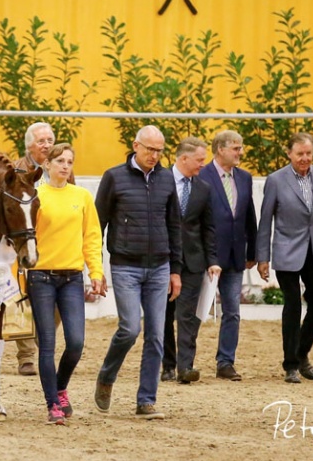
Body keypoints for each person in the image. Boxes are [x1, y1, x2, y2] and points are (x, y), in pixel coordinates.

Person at [93, 125, 182, 420]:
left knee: (157, 335)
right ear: (136, 146)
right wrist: (96, 267)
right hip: (125, 266)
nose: (155, 156)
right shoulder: (113, 177)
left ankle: (146, 399)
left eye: (159, 150)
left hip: (159, 267)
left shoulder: (167, 178)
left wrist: (175, 270)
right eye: (150, 149)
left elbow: (174, 227)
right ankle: (107, 376)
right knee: (130, 329)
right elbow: (98, 224)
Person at [27, 143, 106, 424]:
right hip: (41, 277)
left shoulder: (82, 197)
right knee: (47, 343)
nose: (65, 166)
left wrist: (96, 273)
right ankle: (53, 404)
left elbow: (92, 238)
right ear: (46, 164)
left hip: (73, 277)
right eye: (59, 160)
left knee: (76, 342)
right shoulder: (36, 195)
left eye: (69, 162)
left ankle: (60, 386)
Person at [256, 132, 313, 384]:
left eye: (308, 154)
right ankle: (291, 364)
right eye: (299, 154)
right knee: (292, 305)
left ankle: (301, 353)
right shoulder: (276, 180)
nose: (304, 158)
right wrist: (263, 257)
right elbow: (265, 221)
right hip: (287, 250)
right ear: (289, 154)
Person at [161, 137, 221, 384]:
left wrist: (212, 260)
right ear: (183, 158)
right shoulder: (160, 181)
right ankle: (168, 365)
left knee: (188, 316)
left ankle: (186, 366)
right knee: (164, 315)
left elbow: (208, 227)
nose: (202, 165)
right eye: (199, 160)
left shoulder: (203, 188)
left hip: (193, 261)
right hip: (163, 259)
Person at [199, 130, 257, 381]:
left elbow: (248, 215)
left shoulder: (244, 178)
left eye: (241, 147)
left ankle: (225, 361)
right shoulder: (201, 175)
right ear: (220, 149)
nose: (240, 152)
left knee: (232, 310)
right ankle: (183, 360)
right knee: (193, 309)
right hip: (204, 254)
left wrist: (252, 250)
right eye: (235, 148)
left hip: (234, 255)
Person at [13, 121, 56, 376]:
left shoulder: (60, 166)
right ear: (29, 145)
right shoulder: (18, 169)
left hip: (52, 240)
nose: (47, 145)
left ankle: (44, 339)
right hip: (25, 239)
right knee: (23, 297)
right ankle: (26, 356)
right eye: (41, 141)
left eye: (50, 140)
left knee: (56, 298)